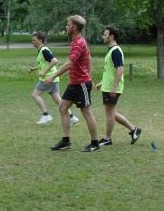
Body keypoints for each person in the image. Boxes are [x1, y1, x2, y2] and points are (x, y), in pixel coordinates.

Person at [44, 15, 101, 152]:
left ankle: (95, 144)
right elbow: (89, 58)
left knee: (87, 112)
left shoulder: (79, 43)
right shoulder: (76, 42)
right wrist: (89, 74)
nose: (66, 27)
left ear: (74, 27)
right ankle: (66, 141)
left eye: (68, 24)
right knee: (63, 107)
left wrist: (52, 76)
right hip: (74, 83)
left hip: (81, 84)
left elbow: (70, 63)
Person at [95, 27, 141, 147]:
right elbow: (110, 71)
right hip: (108, 87)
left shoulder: (115, 51)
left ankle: (107, 138)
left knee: (110, 112)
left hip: (112, 88)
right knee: (110, 112)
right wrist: (102, 83)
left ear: (111, 36)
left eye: (105, 34)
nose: (103, 36)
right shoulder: (111, 50)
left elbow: (120, 69)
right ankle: (134, 129)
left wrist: (114, 87)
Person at [29, 31, 78, 128]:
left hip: (48, 78)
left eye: (34, 40)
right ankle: (72, 117)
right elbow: (45, 63)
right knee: (58, 101)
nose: (32, 42)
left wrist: (44, 72)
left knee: (35, 95)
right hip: (53, 79)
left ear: (40, 40)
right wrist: (35, 69)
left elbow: (54, 61)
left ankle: (46, 115)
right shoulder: (42, 50)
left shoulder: (44, 50)